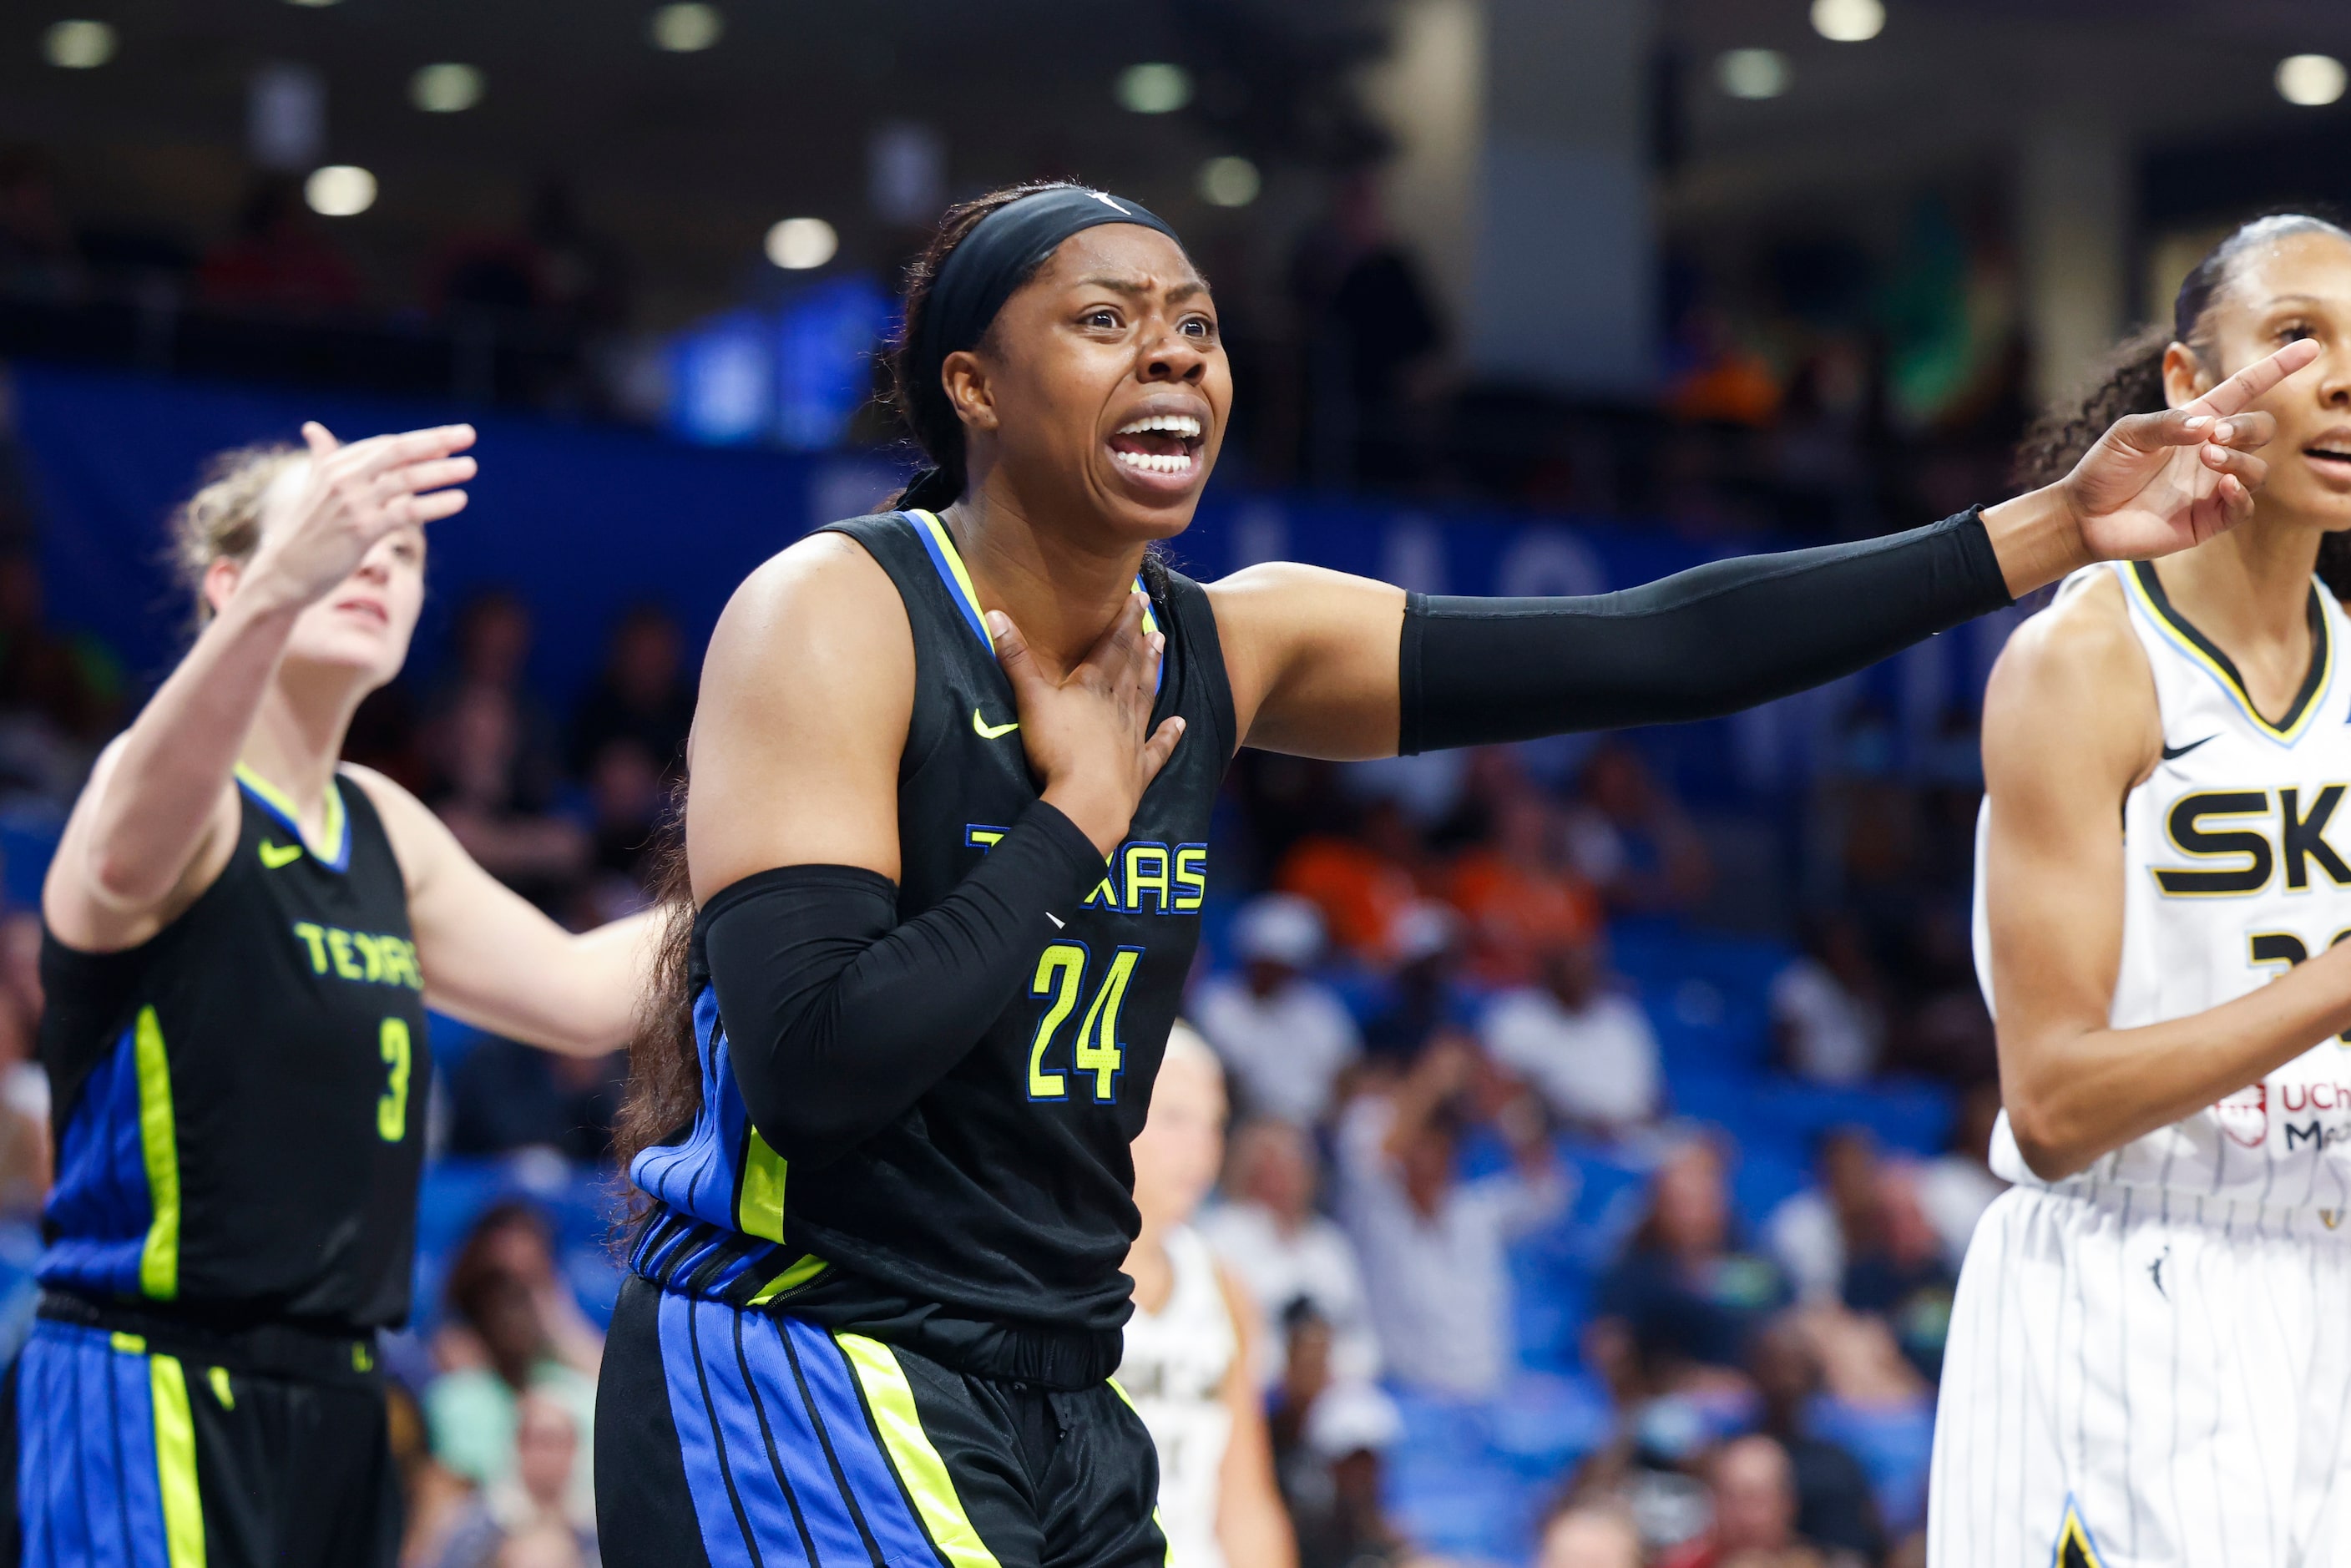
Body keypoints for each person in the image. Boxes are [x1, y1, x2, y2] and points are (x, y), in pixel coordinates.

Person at [597, 180, 2308, 1567]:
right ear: (970, 384)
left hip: (1053, 1375)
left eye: (1196, 328)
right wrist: (1073, 821)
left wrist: (2047, 531)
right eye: (1105, 325)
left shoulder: (1234, 645)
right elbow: (819, 1070)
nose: (1174, 360)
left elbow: (1654, 649)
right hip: (810, 1351)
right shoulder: (834, 614)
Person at [0, 425, 658, 1567]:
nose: (372, 566)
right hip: (148, 1373)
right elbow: (113, 866)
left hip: (343, 1390)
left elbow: (585, 991)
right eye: (338, 539)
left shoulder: (381, 827)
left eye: (401, 552)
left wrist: (824, 858)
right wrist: (278, 590)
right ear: (228, 585)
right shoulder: (162, 796)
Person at [1933, 210, 2351, 1567]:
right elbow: (2051, 1105)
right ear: (2189, 382)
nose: (2343, 379)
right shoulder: (2087, 664)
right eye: (2299, 337)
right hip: (2130, 1288)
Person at [1115, 1024, 1292, 1568]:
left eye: (1213, 1126)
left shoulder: (1225, 1290)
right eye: (1174, 1119)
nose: (1198, 1149)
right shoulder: (1043, 1273)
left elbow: (1245, 1502)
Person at [1335, 1038, 1565, 1398]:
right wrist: (1432, 1080)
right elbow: (1366, 1156)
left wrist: (1508, 1107)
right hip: (1410, 1399)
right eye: (1418, 1148)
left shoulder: (1476, 1213)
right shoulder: (1378, 1217)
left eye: (1439, 1149)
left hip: (1487, 1398)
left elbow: (1547, 1192)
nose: (1428, 1160)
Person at [1198, 1116, 1383, 1388]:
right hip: (1249, 1392)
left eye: (1292, 1165)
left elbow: (1367, 1347)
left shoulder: (1329, 1245)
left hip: (1332, 1392)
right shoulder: (1219, 1235)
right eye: (1271, 1168)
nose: (1283, 1180)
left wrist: (1322, 1372)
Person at [1190, 893, 1361, 1125]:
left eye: (1285, 965)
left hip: (1315, 1126)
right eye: (1268, 963)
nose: (1275, 974)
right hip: (1243, 1122)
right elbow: (1222, 1080)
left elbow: (1346, 1072)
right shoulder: (1215, 1002)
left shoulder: (1318, 1007)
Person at [1478, 933, 1662, 1136]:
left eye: (1585, 969)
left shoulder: (1621, 1016)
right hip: (1557, 1133)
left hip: (1631, 1130)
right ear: (1550, 972)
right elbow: (1504, 1086)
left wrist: (1634, 1120)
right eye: (1570, 968)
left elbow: (1654, 1093)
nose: (1578, 976)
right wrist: (1580, 1121)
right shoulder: (1515, 1015)